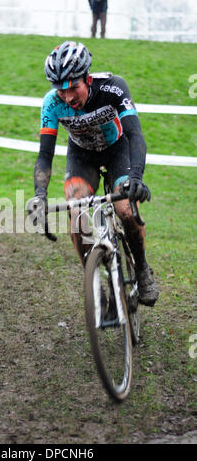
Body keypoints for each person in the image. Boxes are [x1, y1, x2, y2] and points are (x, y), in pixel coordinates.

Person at [31, 41, 159, 306]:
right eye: (60, 90)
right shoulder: (51, 104)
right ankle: (94, 279)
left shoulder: (113, 88)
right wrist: (39, 195)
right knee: (75, 210)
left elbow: (135, 135)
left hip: (117, 151)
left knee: (125, 209)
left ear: (87, 78)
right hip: (82, 157)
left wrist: (136, 178)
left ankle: (143, 269)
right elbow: (45, 154)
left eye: (73, 88)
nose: (67, 97)